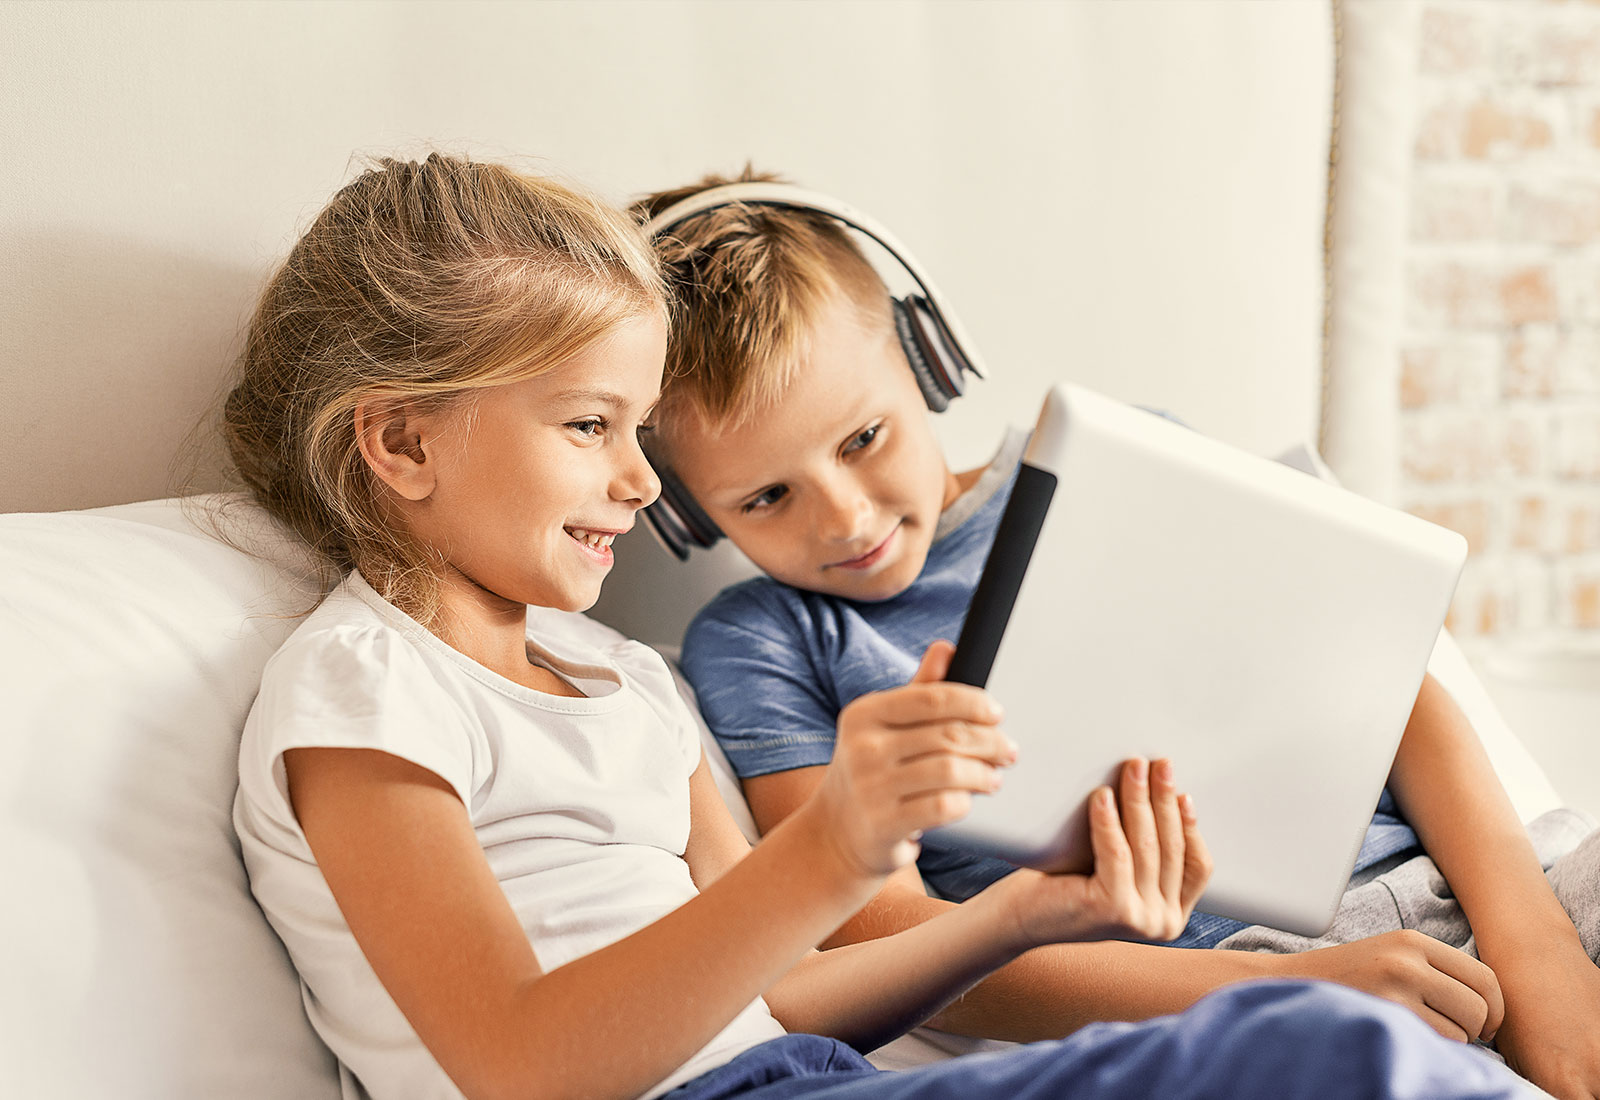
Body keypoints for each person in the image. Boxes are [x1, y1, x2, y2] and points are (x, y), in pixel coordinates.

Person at [219, 153, 1530, 1100]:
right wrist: (841, 844)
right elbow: (520, 1068)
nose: (637, 481)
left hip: (800, 1069)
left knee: (1340, 1057)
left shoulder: (628, 680)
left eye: (634, 434)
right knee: (1334, 1052)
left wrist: (1024, 909)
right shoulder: (364, 686)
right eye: (590, 427)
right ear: (398, 442)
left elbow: (781, 997)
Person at [635, 167, 1600, 1099]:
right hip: (1239, 976)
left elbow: (1393, 698)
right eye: (766, 496)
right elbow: (874, 929)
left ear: (921, 358)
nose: (842, 518)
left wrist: (1536, 942)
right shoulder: (764, 641)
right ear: (689, 514)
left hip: (1508, 882)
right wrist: (1296, 988)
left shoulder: (1129, 465)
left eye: (862, 439)